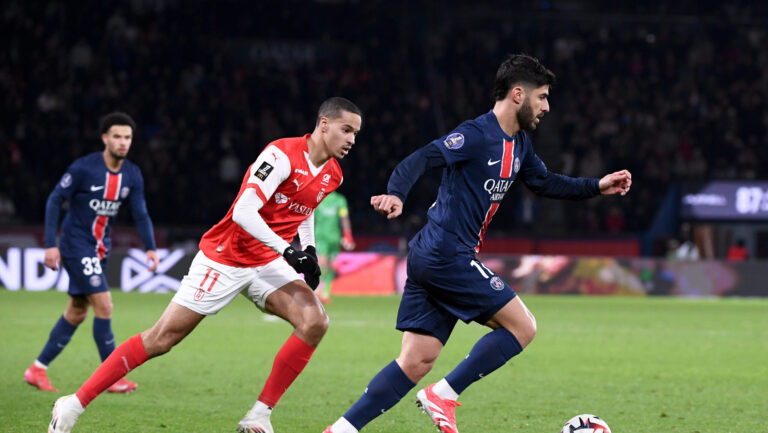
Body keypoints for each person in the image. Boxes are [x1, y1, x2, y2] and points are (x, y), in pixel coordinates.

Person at [323, 54, 631, 433]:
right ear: (518, 94)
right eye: (543, 97)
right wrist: (396, 194)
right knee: (523, 327)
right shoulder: (476, 134)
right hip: (446, 254)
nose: (547, 107)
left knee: (417, 360)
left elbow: (545, 183)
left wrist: (598, 186)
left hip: (430, 255)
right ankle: (444, 394)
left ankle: (340, 430)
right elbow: (422, 158)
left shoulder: (519, 145)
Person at [47, 97, 362, 433]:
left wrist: (309, 248)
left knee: (315, 321)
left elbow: (306, 206)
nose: (352, 140)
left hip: (267, 260)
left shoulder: (333, 174)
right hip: (226, 255)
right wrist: (288, 251)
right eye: (346, 130)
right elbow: (243, 212)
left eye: (356, 133)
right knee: (161, 339)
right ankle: (73, 405)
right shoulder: (281, 155)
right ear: (324, 124)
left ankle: (258, 417)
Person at [25, 112, 159, 394]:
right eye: (117, 137)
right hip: (76, 245)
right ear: (105, 138)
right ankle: (111, 376)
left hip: (100, 248)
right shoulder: (83, 168)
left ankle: (37, 369)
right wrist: (51, 244)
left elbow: (141, 212)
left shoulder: (132, 174)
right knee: (105, 305)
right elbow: (54, 200)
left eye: (127, 137)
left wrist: (150, 248)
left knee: (76, 313)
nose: (123, 143)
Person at [314, 190, 356, 303]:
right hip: (320, 237)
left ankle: (326, 292)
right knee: (322, 263)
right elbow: (311, 219)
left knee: (331, 265)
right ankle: (318, 290)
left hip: (334, 237)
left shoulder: (340, 199)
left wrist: (347, 234)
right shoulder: (318, 198)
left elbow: (344, 217)